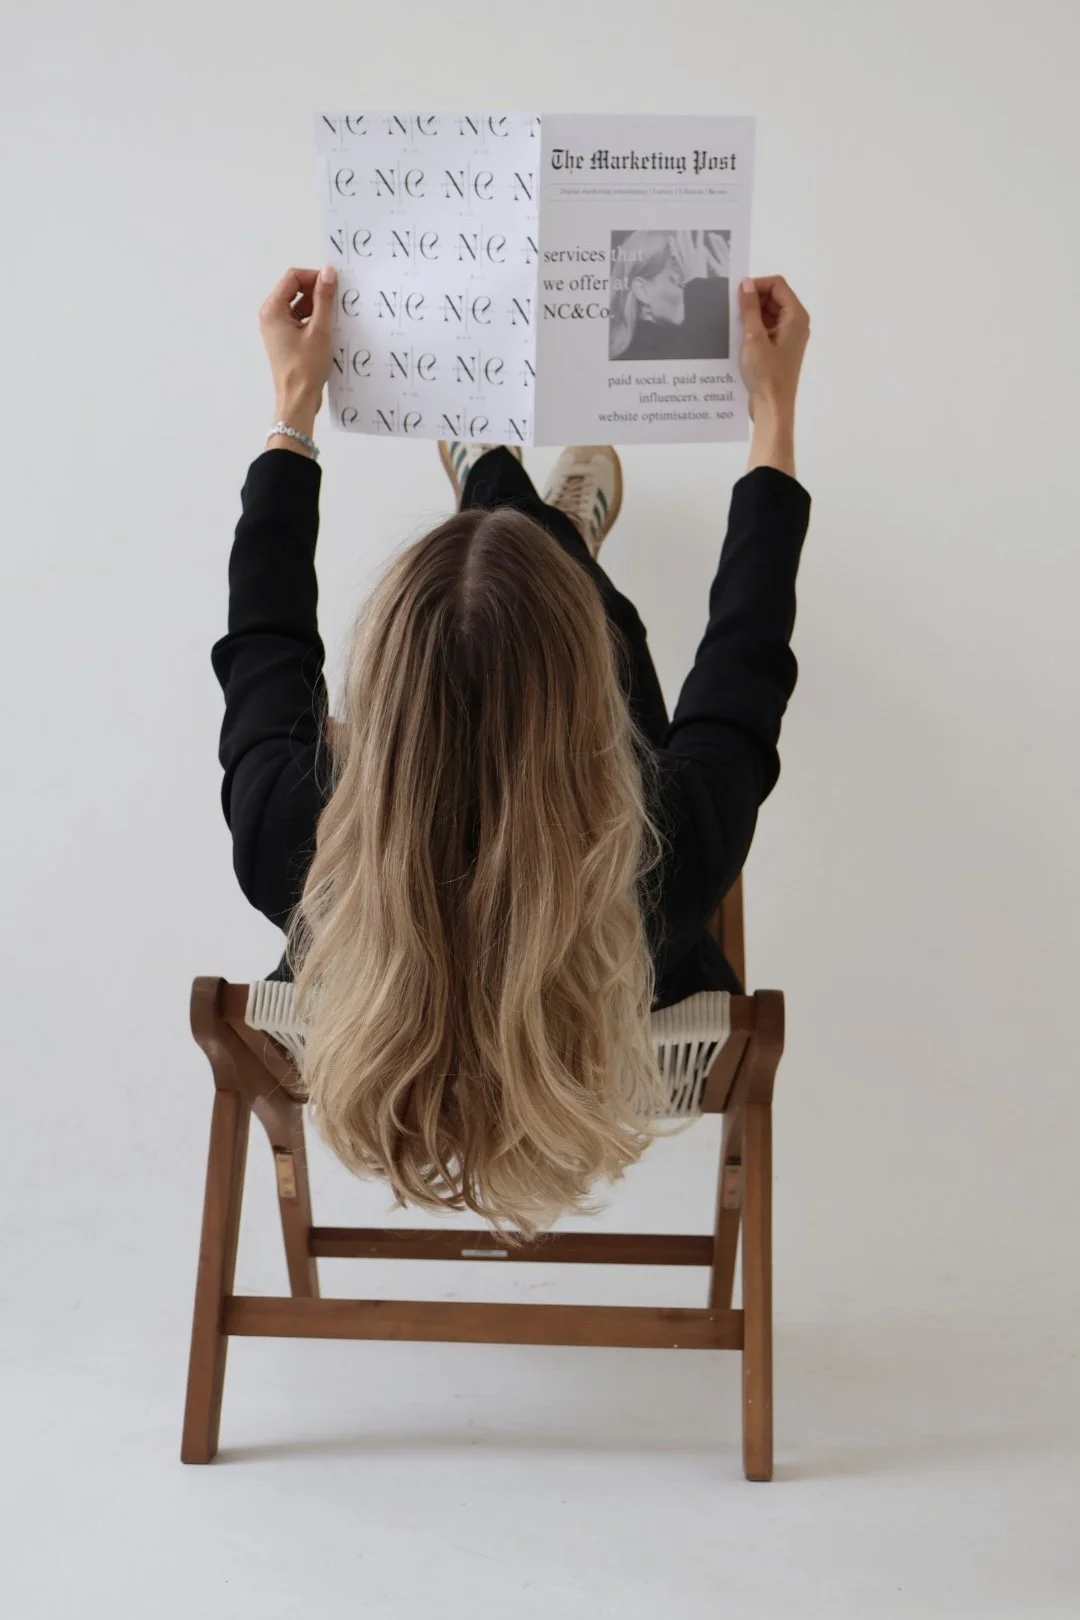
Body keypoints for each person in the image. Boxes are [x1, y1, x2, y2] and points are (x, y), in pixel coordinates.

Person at [210, 265, 811, 1237]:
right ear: (592, 692)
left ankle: (519, 502)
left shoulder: (293, 836)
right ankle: (539, 519)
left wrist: (294, 409)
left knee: (517, 616)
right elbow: (743, 665)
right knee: (599, 685)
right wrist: (772, 410)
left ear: (382, 693)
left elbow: (264, 647)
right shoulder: (665, 851)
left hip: (379, 1006)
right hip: (610, 998)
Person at [609, 230, 730, 361]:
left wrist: (729, 294)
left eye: (710, 281)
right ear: (642, 290)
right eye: (684, 282)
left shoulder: (692, 344)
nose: (697, 296)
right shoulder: (638, 359)